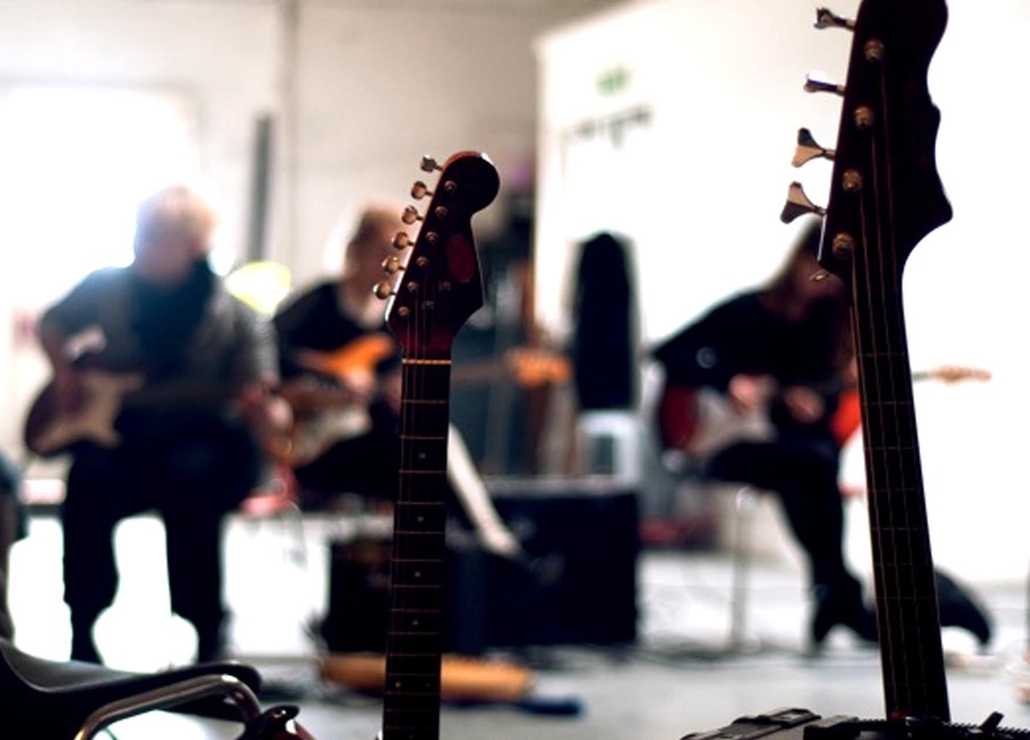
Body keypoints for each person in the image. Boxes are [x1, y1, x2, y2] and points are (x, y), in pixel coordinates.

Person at [37, 183, 287, 664]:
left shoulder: (238, 319)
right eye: (140, 232)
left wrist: (267, 410)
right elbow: (54, 322)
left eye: (155, 236)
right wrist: (65, 374)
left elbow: (268, 395)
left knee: (192, 481)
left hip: (204, 442)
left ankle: (206, 635)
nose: (140, 244)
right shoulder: (106, 287)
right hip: (125, 437)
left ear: (194, 246)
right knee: (87, 478)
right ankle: (82, 628)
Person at [650, 218, 877, 651]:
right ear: (799, 262)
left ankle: (835, 594)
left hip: (777, 448)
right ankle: (839, 593)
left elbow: (811, 405)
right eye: (819, 271)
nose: (824, 285)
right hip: (712, 443)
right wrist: (726, 381)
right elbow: (668, 352)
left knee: (808, 466)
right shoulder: (747, 311)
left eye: (834, 278)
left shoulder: (824, 329)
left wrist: (810, 407)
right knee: (813, 466)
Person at [273, 203, 520, 556]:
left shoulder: (395, 320)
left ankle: (471, 555)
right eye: (386, 252)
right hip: (314, 444)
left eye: (402, 253)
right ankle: (492, 546)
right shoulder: (319, 302)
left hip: (367, 437)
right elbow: (266, 351)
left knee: (429, 447)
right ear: (355, 251)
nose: (394, 263)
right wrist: (332, 374)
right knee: (424, 456)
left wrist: (394, 394)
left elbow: (383, 392)